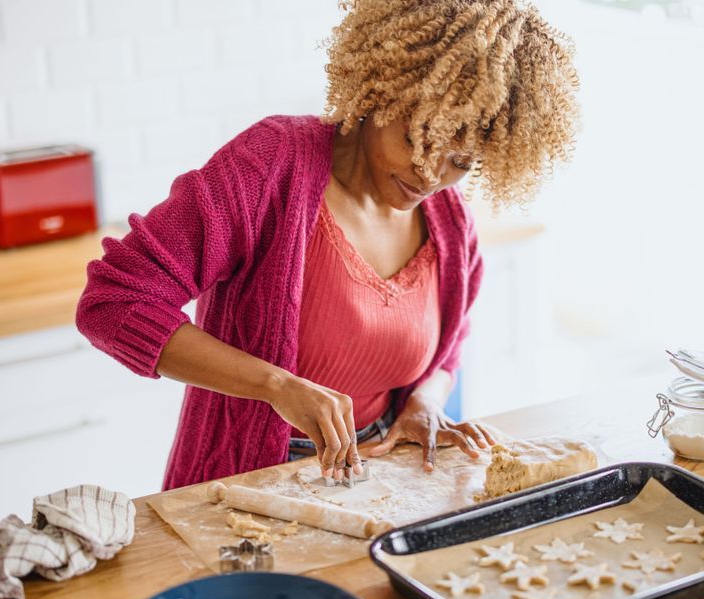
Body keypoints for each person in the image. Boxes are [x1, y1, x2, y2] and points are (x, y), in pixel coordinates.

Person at [76, 0, 580, 490]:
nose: (431, 173)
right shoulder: (270, 167)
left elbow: (448, 352)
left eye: (461, 161)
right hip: (243, 487)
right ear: (379, 90)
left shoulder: (450, 225)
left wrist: (424, 402)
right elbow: (113, 302)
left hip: (388, 483)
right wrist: (276, 386)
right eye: (417, 138)